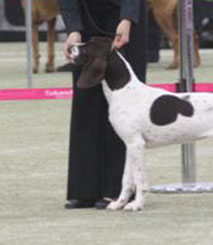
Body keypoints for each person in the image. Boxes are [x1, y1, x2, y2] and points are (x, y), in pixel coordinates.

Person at [57, 0, 147, 209]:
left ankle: (118, 189)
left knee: (124, 106)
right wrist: (73, 28)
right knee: (85, 99)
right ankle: (84, 189)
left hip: (123, 17)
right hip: (86, 17)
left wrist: (128, 18)